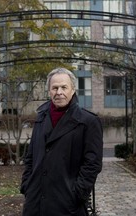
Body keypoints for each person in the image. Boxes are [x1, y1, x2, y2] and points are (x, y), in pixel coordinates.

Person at [20, 67, 103, 216]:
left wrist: (77, 194)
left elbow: (92, 164)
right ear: (49, 91)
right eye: (55, 88)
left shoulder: (88, 121)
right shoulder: (41, 117)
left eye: (64, 87)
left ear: (73, 89)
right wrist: (27, 185)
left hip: (67, 205)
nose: (59, 92)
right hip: (35, 202)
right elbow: (31, 156)